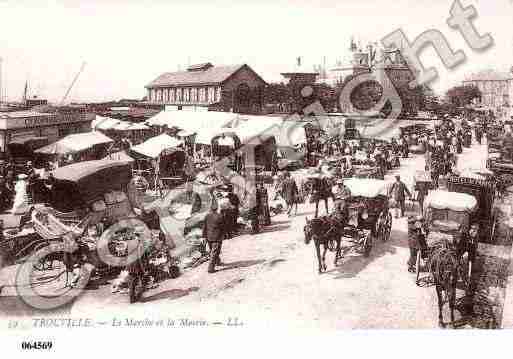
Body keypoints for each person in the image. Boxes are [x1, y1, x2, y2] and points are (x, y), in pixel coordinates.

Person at [203, 203, 226, 273]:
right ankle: (210, 268)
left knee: (212, 251)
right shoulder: (220, 216)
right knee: (215, 252)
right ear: (217, 209)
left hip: (209, 237)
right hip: (217, 236)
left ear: (210, 209)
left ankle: (217, 261)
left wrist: (204, 236)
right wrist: (224, 235)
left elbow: (204, 227)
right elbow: (223, 227)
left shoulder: (207, 216)